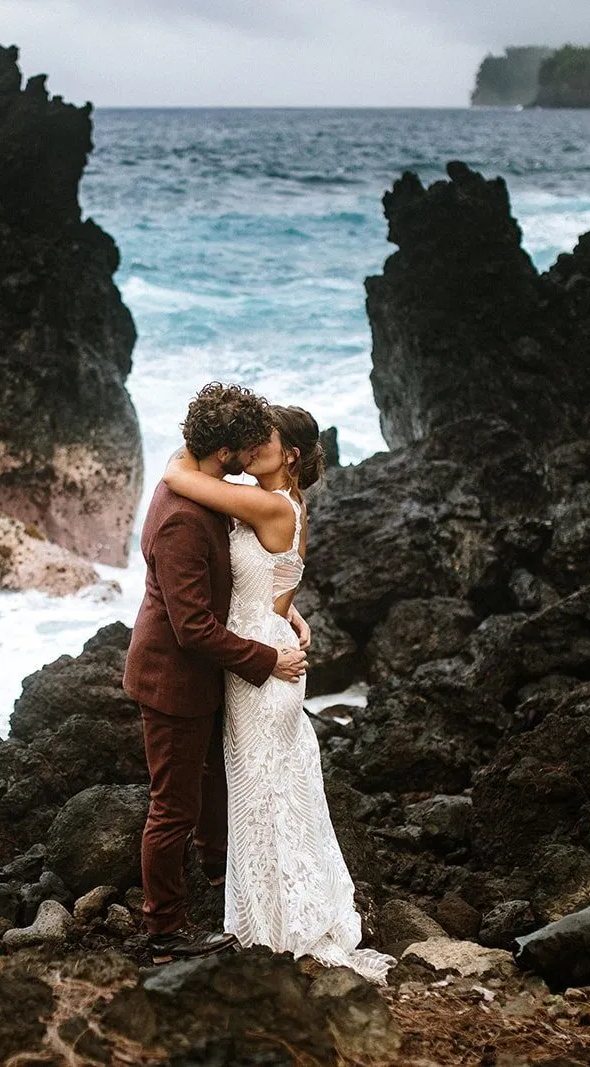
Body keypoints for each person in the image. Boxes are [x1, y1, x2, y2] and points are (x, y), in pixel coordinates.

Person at [161, 401, 395, 983]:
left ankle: (278, 924)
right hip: (264, 651)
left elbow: (174, 474)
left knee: (264, 792)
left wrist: (201, 437)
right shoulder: (286, 502)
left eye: (259, 439)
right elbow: (278, 582)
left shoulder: (267, 502)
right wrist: (289, 617)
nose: (246, 447)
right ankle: (271, 914)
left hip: (262, 668)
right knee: (267, 791)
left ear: (288, 454)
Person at [123, 382, 310, 964]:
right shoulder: (184, 517)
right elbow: (193, 630)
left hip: (209, 675)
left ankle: (219, 874)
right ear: (225, 453)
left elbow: (258, 571)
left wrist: (286, 605)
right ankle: (164, 932)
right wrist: (269, 659)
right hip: (175, 678)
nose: (254, 454)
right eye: (247, 445)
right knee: (171, 806)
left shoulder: (210, 492)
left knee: (211, 781)